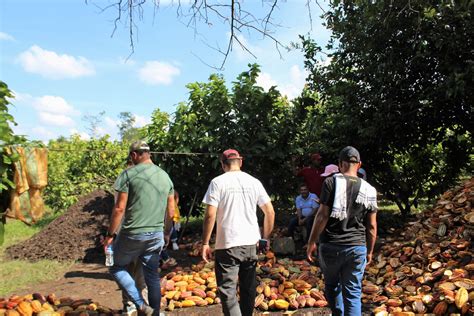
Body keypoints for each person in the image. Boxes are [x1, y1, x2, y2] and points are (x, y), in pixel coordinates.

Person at [104, 140, 175, 316]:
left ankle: (140, 305)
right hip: (156, 234)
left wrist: (110, 235)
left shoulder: (128, 174)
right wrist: (166, 232)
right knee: (152, 276)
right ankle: (156, 312)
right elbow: (171, 211)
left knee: (115, 266)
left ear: (134, 155)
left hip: (133, 233)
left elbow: (119, 208)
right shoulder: (165, 176)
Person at [201, 149, 275, 316]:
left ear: (222, 164)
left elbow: (210, 214)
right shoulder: (254, 182)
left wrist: (205, 242)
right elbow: (270, 212)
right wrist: (265, 238)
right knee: (248, 289)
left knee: (228, 291)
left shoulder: (217, 182)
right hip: (251, 244)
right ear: (241, 162)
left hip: (227, 244)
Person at [306, 146, 377, 316]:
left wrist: (311, 242)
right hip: (357, 247)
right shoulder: (370, 189)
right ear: (359, 165)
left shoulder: (330, 182)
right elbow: (372, 226)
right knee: (353, 293)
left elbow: (322, 216)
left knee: (332, 285)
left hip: (331, 245)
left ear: (340, 164)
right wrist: (370, 250)